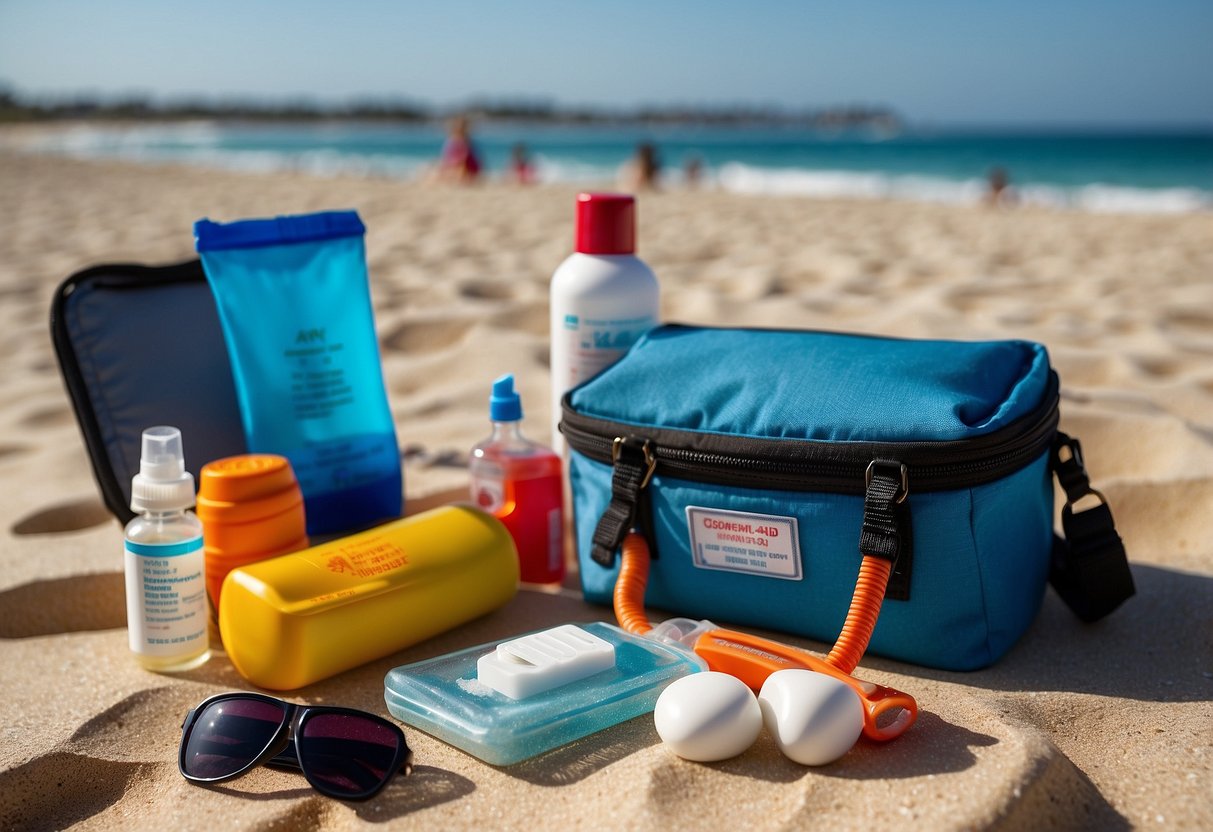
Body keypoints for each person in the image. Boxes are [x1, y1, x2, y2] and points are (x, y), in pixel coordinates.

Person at [433, 115, 482, 183]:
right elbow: (447, 157)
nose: (458, 128)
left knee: (456, 169)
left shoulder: (465, 141)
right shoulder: (453, 140)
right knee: (434, 167)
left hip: (464, 168)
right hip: (456, 166)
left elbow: (464, 159)